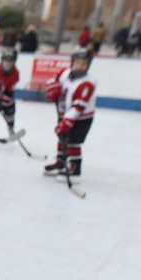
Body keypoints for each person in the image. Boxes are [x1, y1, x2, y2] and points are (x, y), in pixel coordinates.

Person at [43, 49, 96, 182]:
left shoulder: (88, 82)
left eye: (84, 63)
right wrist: (53, 88)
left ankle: (75, 168)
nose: (80, 66)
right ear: (72, 63)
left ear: (88, 65)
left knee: (73, 142)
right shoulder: (66, 73)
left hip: (81, 118)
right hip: (66, 113)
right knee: (62, 137)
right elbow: (53, 80)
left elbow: (79, 106)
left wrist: (67, 122)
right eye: (77, 62)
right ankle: (61, 162)